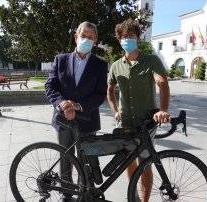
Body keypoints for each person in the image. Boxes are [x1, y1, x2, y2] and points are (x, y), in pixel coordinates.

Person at [107, 19, 171, 202]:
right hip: (125, 121)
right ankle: (133, 196)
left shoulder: (151, 60)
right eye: (124, 37)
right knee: (129, 161)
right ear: (120, 40)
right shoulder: (116, 65)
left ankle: (144, 200)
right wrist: (115, 111)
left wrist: (163, 109)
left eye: (132, 36)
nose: (128, 40)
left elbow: (162, 83)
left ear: (138, 37)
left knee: (145, 162)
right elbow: (109, 91)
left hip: (147, 123)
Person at [45, 21, 107, 202]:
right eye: (83, 35)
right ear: (76, 37)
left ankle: (85, 195)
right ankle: (66, 194)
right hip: (63, 119)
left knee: (86, 160)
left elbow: (100, 94)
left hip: (87, 120)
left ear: (95, 40)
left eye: (90, 37)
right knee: (66, 158)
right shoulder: (61, 59)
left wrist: (78, 106)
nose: (86, 39)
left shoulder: (100, 65)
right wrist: (63, 104)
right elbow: (51, 86)